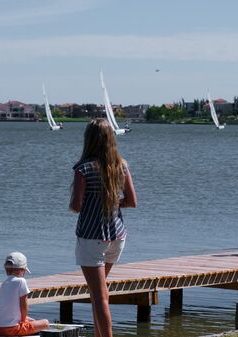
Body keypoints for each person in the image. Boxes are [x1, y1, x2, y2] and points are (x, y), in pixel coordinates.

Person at [69, 118, 137, 337]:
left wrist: (92, 202)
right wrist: (112, 201)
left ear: (89, 139)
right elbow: (132, 201)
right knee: (99, 294)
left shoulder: (83, 169)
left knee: (99, 296)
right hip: (117, 236)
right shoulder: (122, 166)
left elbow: (76, 206)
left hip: (92, 237)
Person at [0, 252, 49, 336]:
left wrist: (26, 319)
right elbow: (24, 306)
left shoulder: (4, 283)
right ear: (21, 270)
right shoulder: (21, 281)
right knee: (46, 323)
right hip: (11, 329)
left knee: (31, 320)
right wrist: (23, 321)